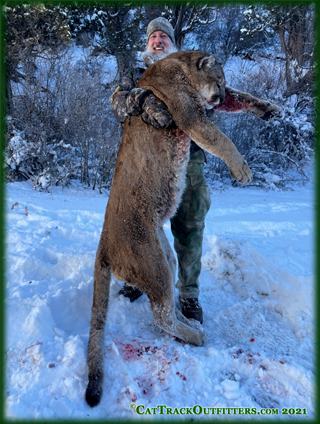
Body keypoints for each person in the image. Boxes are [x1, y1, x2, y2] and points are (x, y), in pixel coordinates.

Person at [111, 17, 276, 323]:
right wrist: (142, 98)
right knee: (139, 224)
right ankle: (137, 279)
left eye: (163, 36)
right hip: (144, 165)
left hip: (189, 162)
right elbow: (117, 102)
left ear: (173, 42)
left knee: (190, 225)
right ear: (147, 44)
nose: (158, 40)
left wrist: (254, 105)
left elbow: (221, 96)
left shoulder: (189, 73)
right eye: (153, 37)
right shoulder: (137, 73)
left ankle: (188, 294)